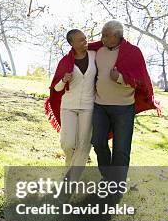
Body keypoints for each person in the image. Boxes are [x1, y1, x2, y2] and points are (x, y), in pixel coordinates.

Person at [87, 20, 161, 188]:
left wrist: (120, 78)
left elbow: (140, 80)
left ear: (116, 36)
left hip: (124, 108)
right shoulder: (98, 50)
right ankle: (107, 176)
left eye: (105, 35)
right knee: (98, 142)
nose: (102, 38)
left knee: (121, 148)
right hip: (100, 105)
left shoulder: (133, 52)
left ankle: (117, 183)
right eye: (102, 35)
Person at [44, 29, 97, 168]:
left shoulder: (94, 55)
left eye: (85, 38)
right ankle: (69, 165)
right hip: (68, 106)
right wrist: (63, 79)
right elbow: (56, 88)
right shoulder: (66, 61)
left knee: (84, 144)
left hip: (88, 106)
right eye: (80, 40)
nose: (85, 41)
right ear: (71, 43)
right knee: (68, 144)